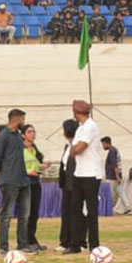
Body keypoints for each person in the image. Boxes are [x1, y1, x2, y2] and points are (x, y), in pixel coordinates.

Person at [68, 100, 104, 254]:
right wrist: (74, 149)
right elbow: (73, 148)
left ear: (76, 112)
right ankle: (75, 243)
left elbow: (79, 148)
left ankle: (94, 243)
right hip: (79, 172)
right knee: (75, 209)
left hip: (91, 173)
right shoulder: (80, 128)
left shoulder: (90, 126)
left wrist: (74, 149)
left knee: (91, 210)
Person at [0, 108, 29, 255]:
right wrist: (6, 172)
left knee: (24, 215)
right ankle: (4, 246)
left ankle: (22, 244)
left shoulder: (19, 136)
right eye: (23, 119)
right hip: (10, 180)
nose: (24, 122)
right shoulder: (3, 136)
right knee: (6, 215)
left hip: (24, 181)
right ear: (17, 119)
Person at [19, 124, 45, 253]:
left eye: (34, 132)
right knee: (26, 214)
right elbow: (19, 166)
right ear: (23, 135)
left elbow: (36, 165)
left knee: (35, 213)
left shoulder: (34, 149)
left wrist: (42, 167)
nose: (32, 134)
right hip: (26, 182)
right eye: (29, 132)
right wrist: (29, 172)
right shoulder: (20, 149)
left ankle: (32, 239)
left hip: (36, 182)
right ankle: (25, 241)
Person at [56, 119, 80, 252]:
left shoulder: (78, 145)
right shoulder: (67, 146)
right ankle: (64, 241)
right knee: (66, 213)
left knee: (76, 213)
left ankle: (77, 241)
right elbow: (63, 165)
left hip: (75, 182)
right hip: (66, 184)